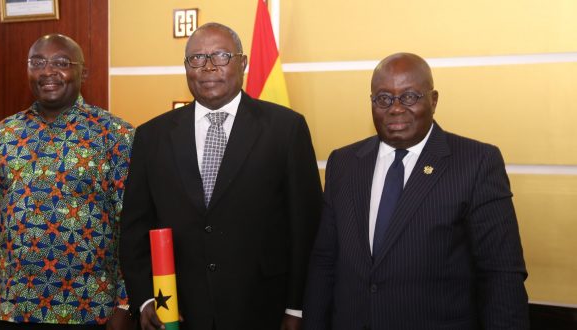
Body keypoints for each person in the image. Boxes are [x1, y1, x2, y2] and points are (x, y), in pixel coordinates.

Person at [303, 53, 529, 329]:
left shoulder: (476, 163)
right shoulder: (344, 163)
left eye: (409, 96)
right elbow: (325, 261)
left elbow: (500, 273)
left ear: (433, 100)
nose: (396, 108)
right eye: (384, 98)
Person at [120, 22, 322, 330]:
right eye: (197, 58)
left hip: (262, 308)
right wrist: (146, 299)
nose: (208, 66)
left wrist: (296, 309)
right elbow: (135, 226)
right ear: (186, 67)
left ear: (243, 63)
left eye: (221, 56)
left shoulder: (286, 129)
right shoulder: (152, 136)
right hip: (177, 311)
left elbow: (304, 227)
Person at [0, 34, 135, 329]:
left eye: (61, 63)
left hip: (91, 307)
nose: (47, 71)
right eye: (37, 62)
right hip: (11, 306)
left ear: (83, 72)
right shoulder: (4, 134)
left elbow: (131, 225)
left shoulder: (115, 134)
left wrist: (124, 303)